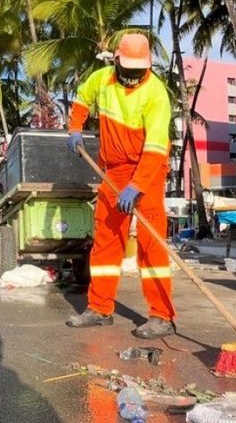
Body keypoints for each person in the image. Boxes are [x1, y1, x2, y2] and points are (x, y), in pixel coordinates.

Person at [65, 33, 175, 339]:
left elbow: (155, 148)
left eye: (139, 71)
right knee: (107, 240)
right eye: (128, 71)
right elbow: (80, 100)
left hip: (147, 172)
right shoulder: (101, 80)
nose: (133, 77)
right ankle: (99, 309)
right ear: (116, 61)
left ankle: (161, 316)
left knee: (151, 244)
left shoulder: (156, 93)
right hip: (113, 173)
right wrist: (74, 128)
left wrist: (137, 185)